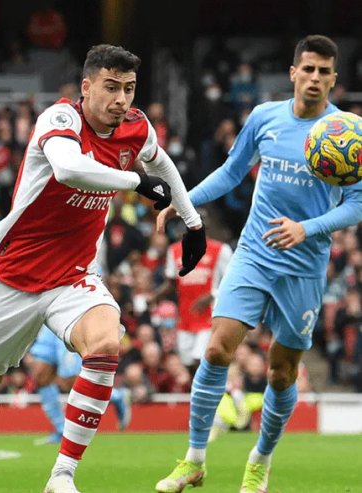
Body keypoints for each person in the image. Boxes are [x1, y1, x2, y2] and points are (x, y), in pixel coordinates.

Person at [0, 44, 206, 493]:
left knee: (106, 343)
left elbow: (160, 161)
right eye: (111, 87)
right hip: (15, 278)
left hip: (74, 277)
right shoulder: (60, 119)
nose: (121, 99)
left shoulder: (136, 127)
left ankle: (61, 476)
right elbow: (69, 169)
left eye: (129, 88)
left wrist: (193, 221)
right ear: (86, 87)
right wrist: (136, 181)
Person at [155, 35, 362, 493]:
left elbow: (357, 204)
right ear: (293, 72)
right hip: (255, 252)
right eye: (308, 69)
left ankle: (260, 460)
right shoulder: (265, 117)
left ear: (334, 78)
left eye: (324, 72)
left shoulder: (349, 134)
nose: (314, 78)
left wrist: (306, 228)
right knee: (216, 350)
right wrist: (183, 201)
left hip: (304, 266)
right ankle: (194, 459)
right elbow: (232, 172)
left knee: (281, 372)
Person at [30, 325, 131, 446]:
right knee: (40, 376)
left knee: (71, 380)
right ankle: (62, 430)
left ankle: (117, 396)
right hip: (47, 324)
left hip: (68, 321)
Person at [157, 233, 232, 371]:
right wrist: (154, 296)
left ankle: (204, 384)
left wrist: (212, 295)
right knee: (187, 362)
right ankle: (195, 385)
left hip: (209, 315)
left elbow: (231, 280)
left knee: (201, 358)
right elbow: (171, 282)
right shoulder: (174, 250)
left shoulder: (220, 249)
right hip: (185, 317)